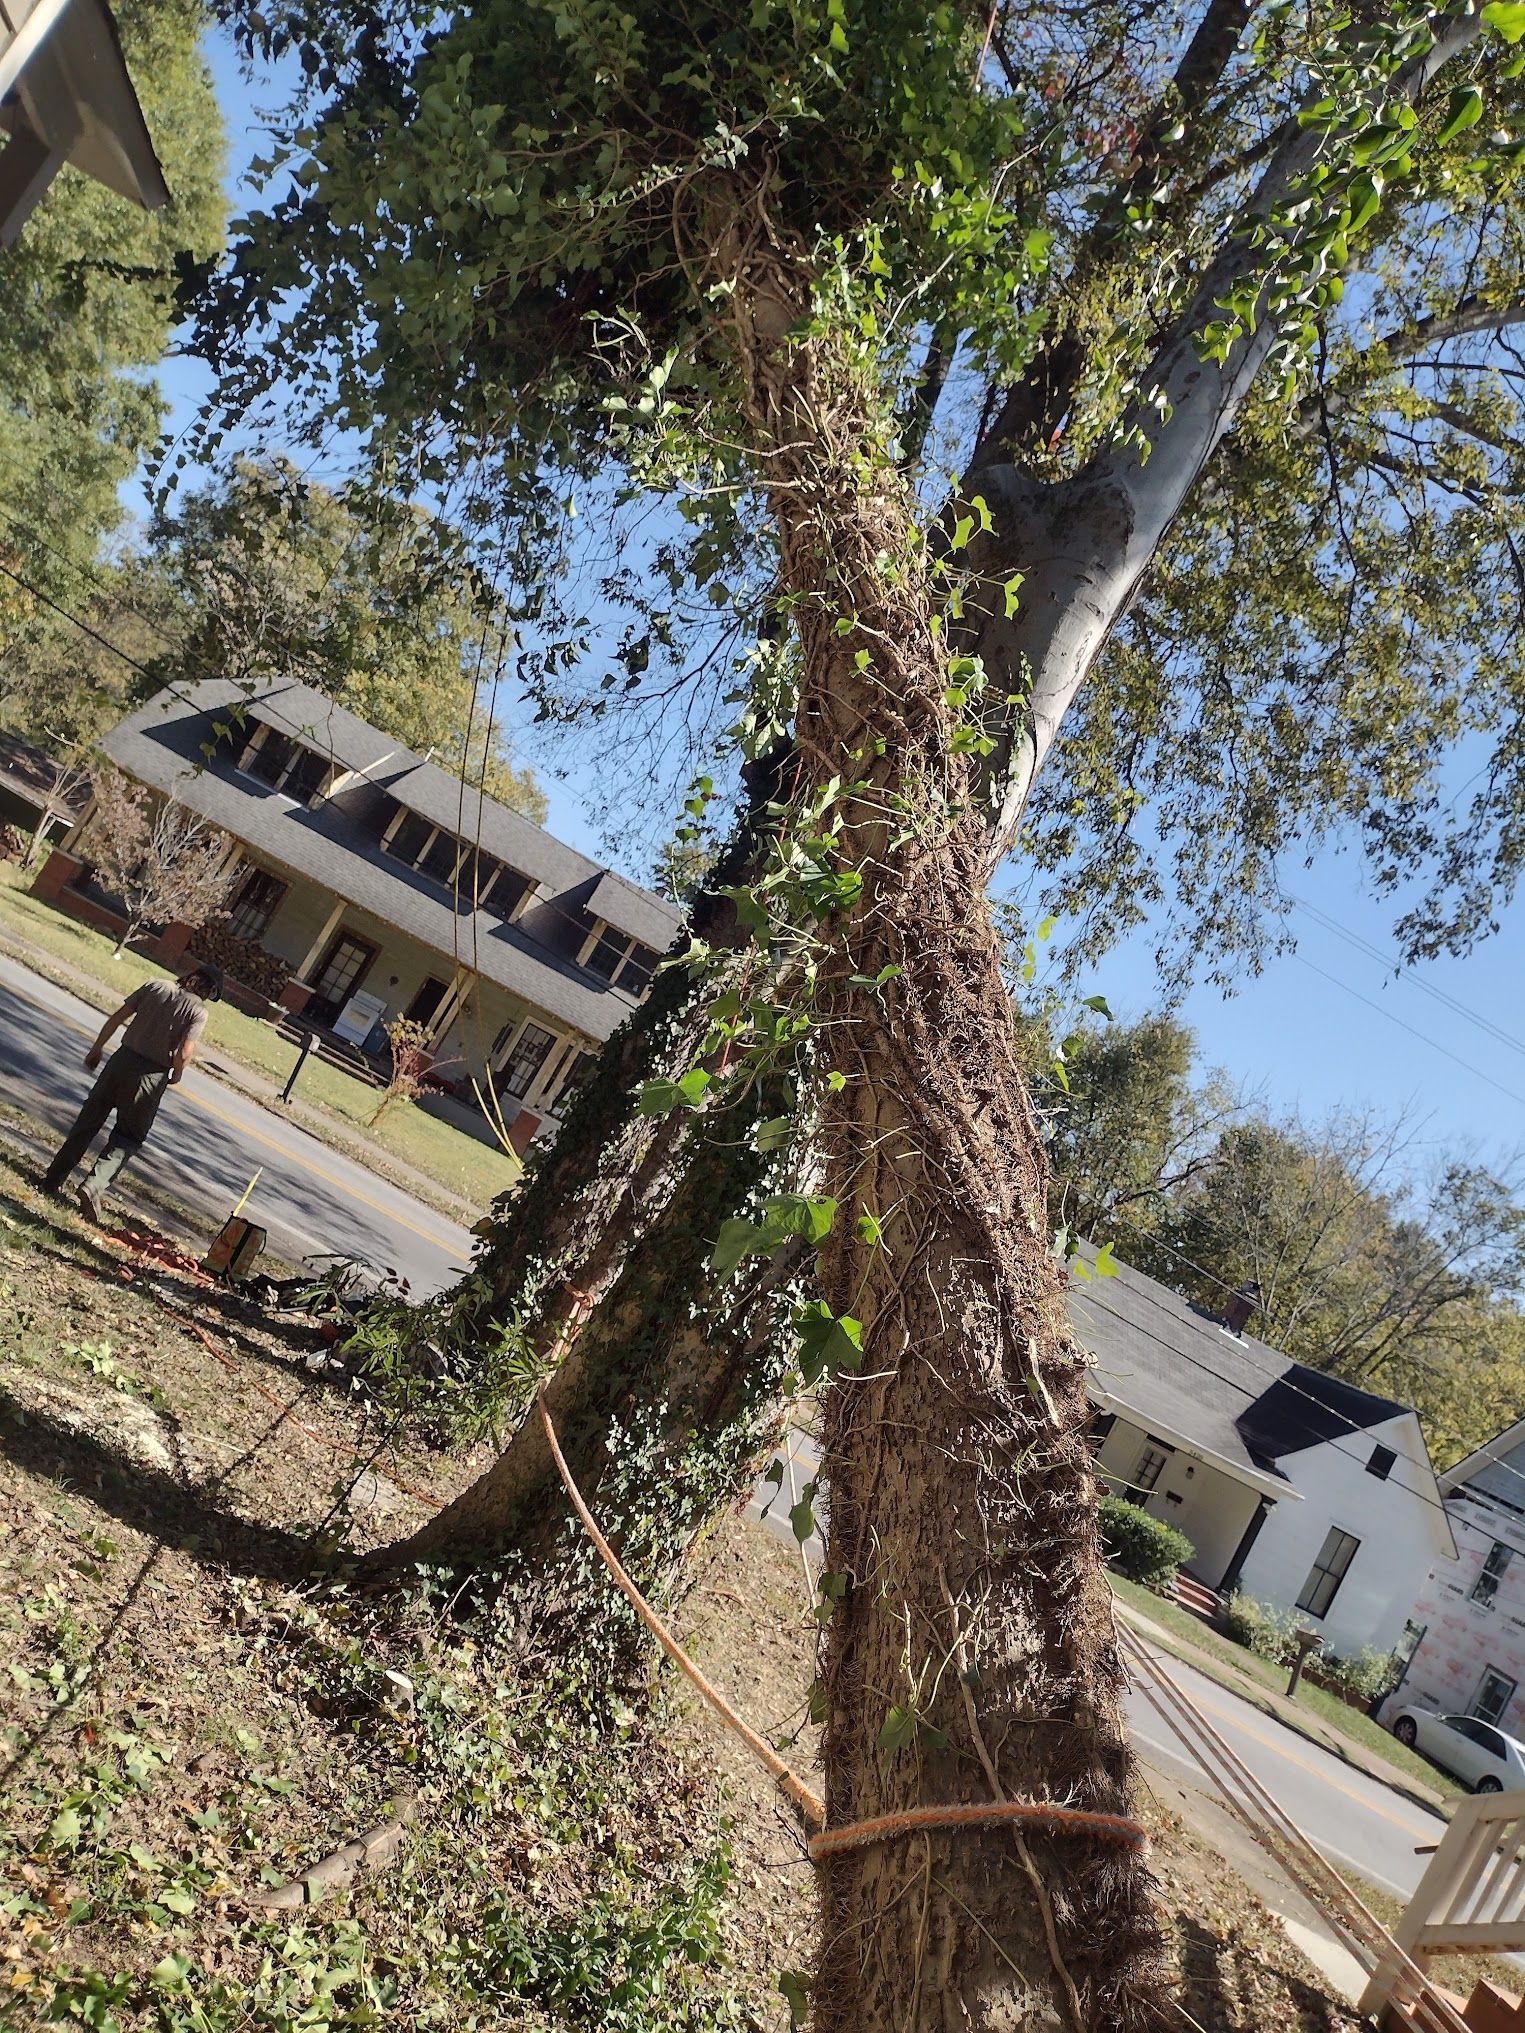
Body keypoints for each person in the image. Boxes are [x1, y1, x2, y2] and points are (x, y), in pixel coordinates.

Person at [42, 963, 223, 1222]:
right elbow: (185, 1051)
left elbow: (117, 1017)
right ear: (209, 990)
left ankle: (53, 1179)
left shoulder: (156, 986)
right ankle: (93, 1186)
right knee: (128, 1136)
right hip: (150, 1076)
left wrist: (97, 1048)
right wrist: (177, 1073)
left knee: (88, 1121)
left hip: (120, 1061)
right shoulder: (197, 1011)